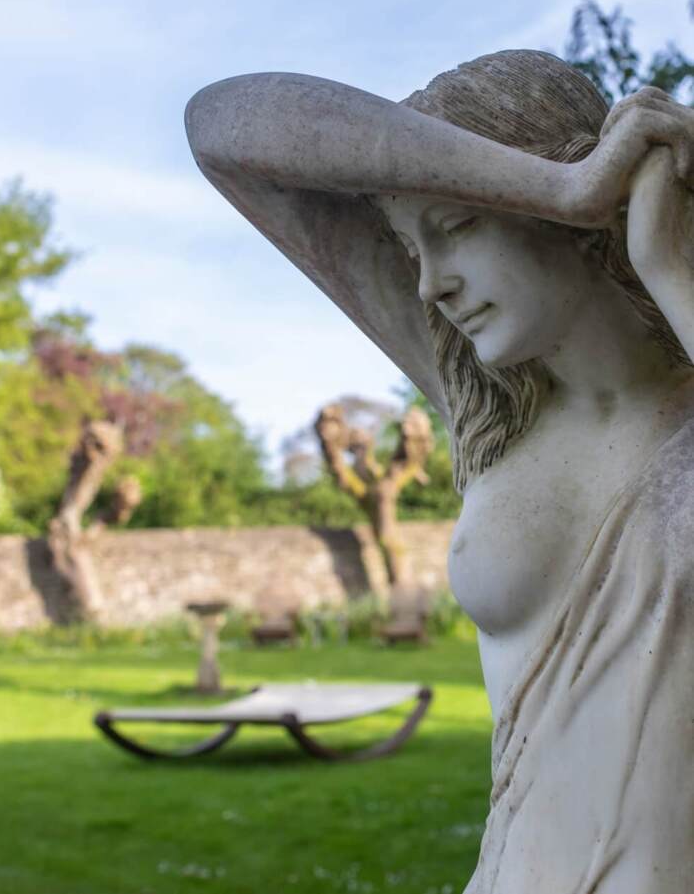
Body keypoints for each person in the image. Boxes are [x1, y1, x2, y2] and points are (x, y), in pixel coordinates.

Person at [185, 51, 694, 893]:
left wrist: (669, 265)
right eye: (406, 242)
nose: (430, 284)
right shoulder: (495, 414)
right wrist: (565, 191)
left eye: (454, 227)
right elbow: (226, 128)